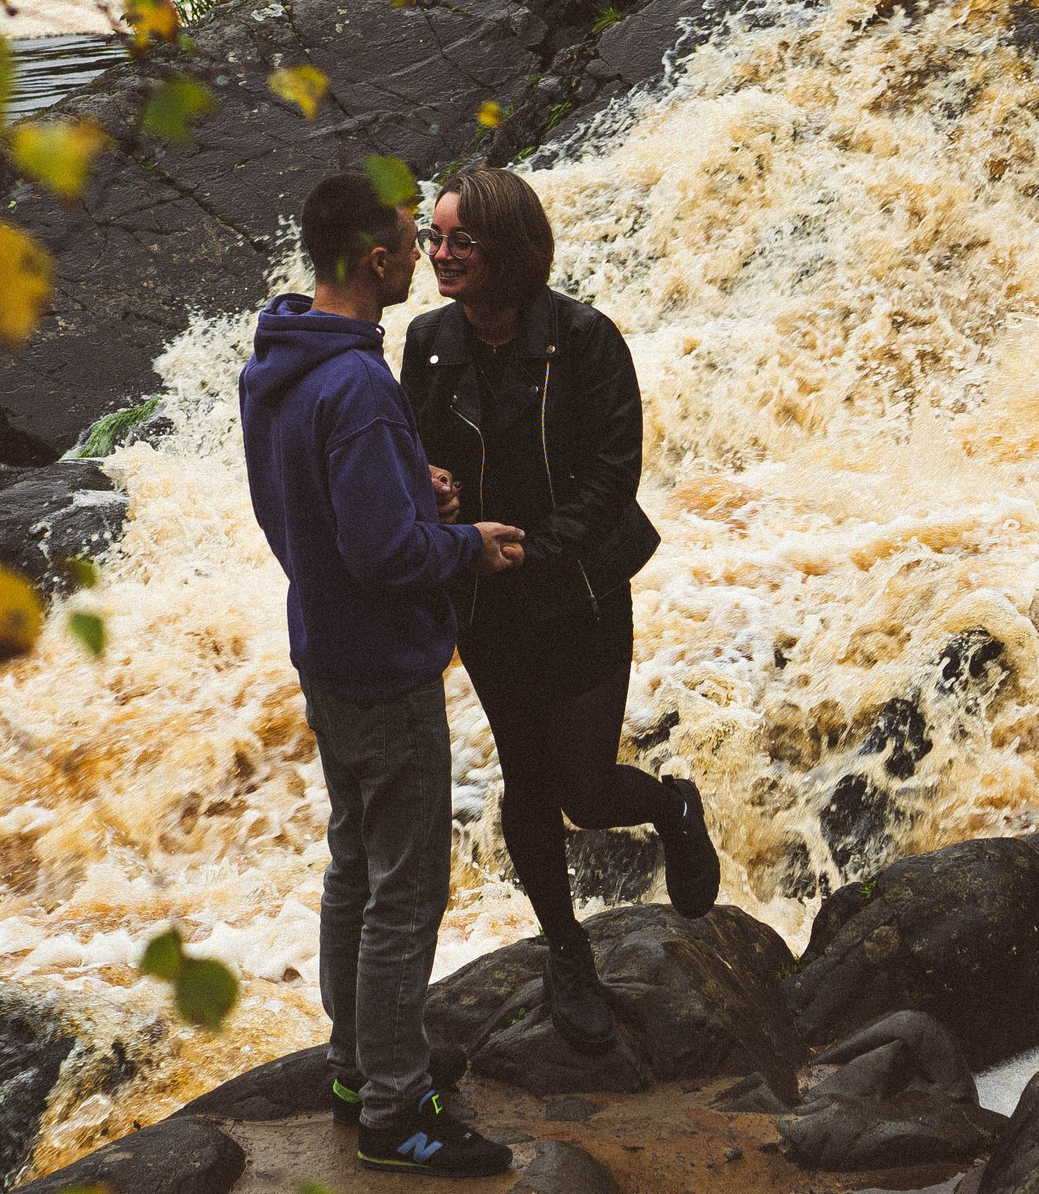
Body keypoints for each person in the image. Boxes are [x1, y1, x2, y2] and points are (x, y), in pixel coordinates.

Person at [239, 170, 526, 1178]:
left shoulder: (279, 359)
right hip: (384, 664)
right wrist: (462, 542)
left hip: (323, 645)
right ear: (375, 258)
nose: (424, 258)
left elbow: (296, 508)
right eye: (412, 242)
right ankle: (398, 1115)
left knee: (353, 867)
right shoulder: (358, 382)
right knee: (405, 891)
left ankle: (357, 1065)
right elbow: (388, 556)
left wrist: (410, 488)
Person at [400, 166, 720, 1055]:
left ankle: (671, 806)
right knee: (527, 782)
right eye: (432, 238)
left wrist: (535, 550)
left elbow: (616, 472)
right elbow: (412, 455)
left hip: (577, 592)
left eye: (460, 239)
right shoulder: (427, 343)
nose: (440, 254)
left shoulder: (582, 338)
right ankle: (567, 948)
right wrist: (430, 491)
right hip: (486, 601)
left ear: (508, 245)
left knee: (585, 788)